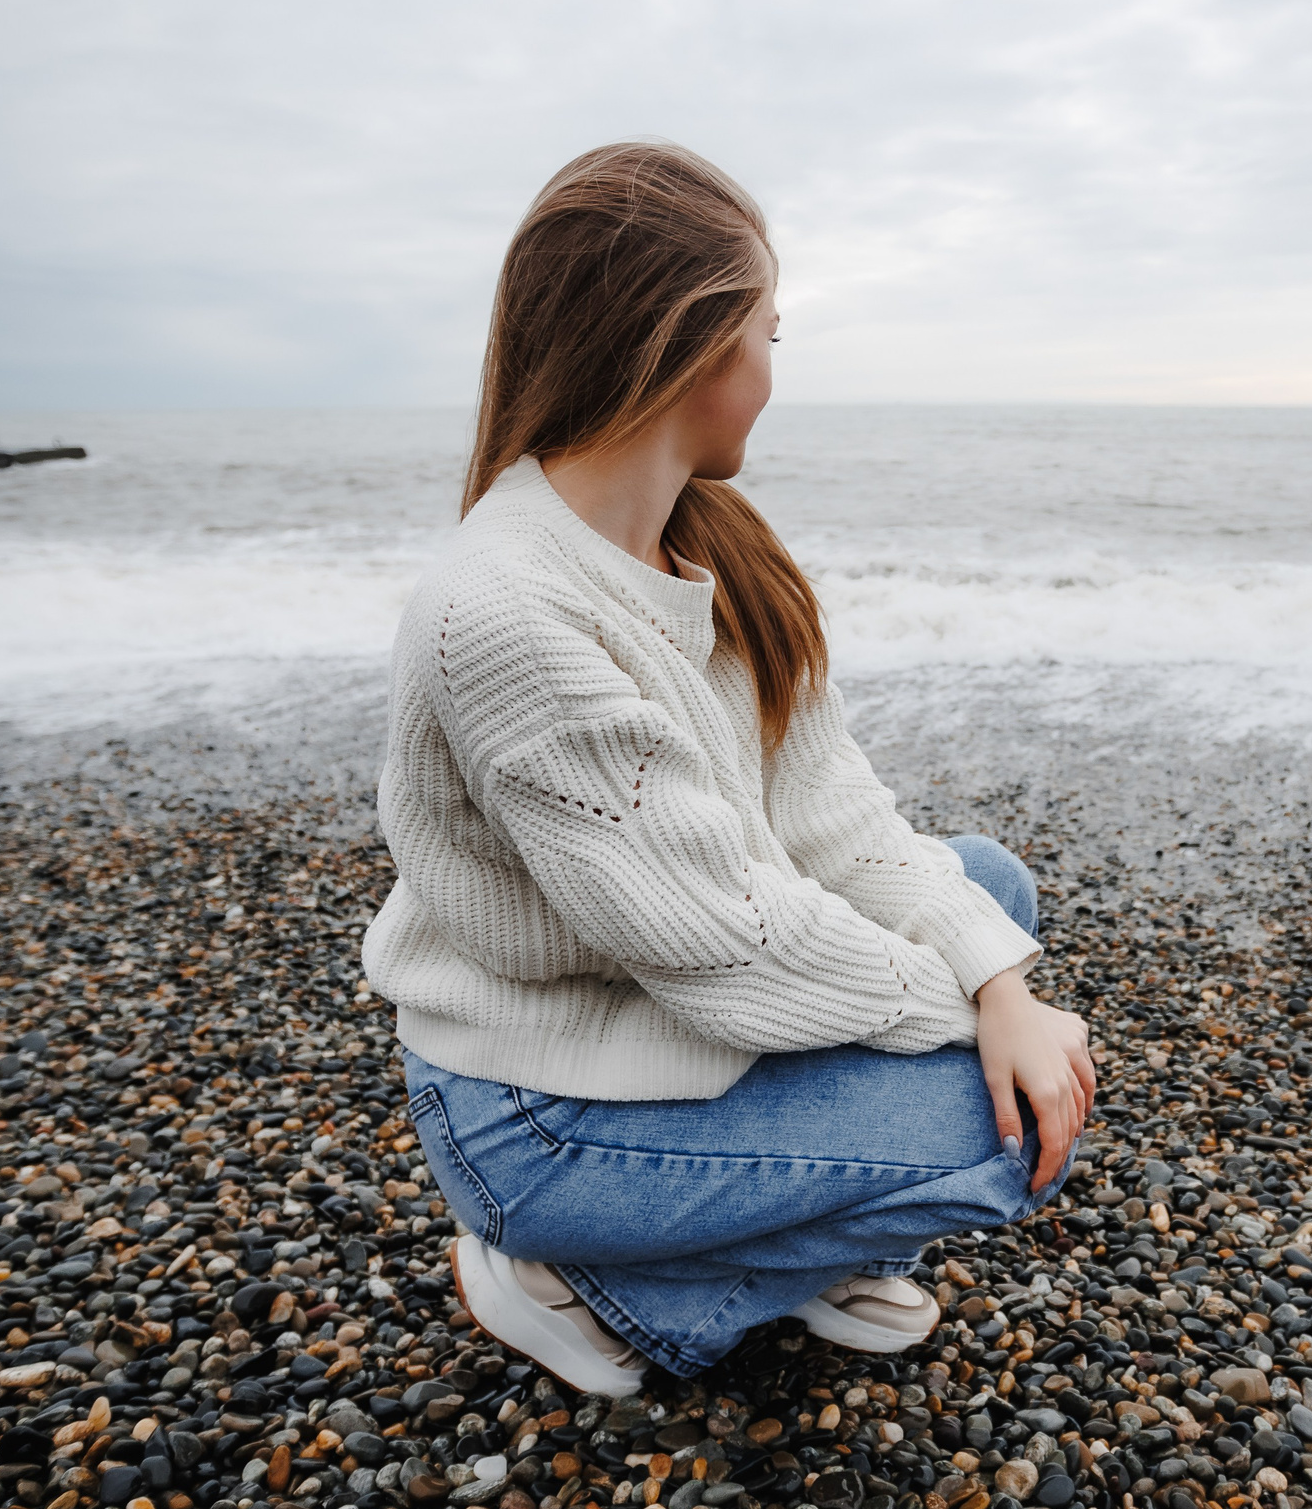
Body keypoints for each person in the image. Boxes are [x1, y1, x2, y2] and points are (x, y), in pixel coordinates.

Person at [362, 141, 1095, 1393]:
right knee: (1006, 1125)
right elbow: (734, 948)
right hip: (538, 1108)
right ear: (697, 348)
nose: (770, 371)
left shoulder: (707, 537)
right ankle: (591, 1286)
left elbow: (839, 818)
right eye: (768, 333)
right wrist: (976, 1019)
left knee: (992, 892)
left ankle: (779, 1242)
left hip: (655, 1013)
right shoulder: (507, 618)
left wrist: (1000, 986)